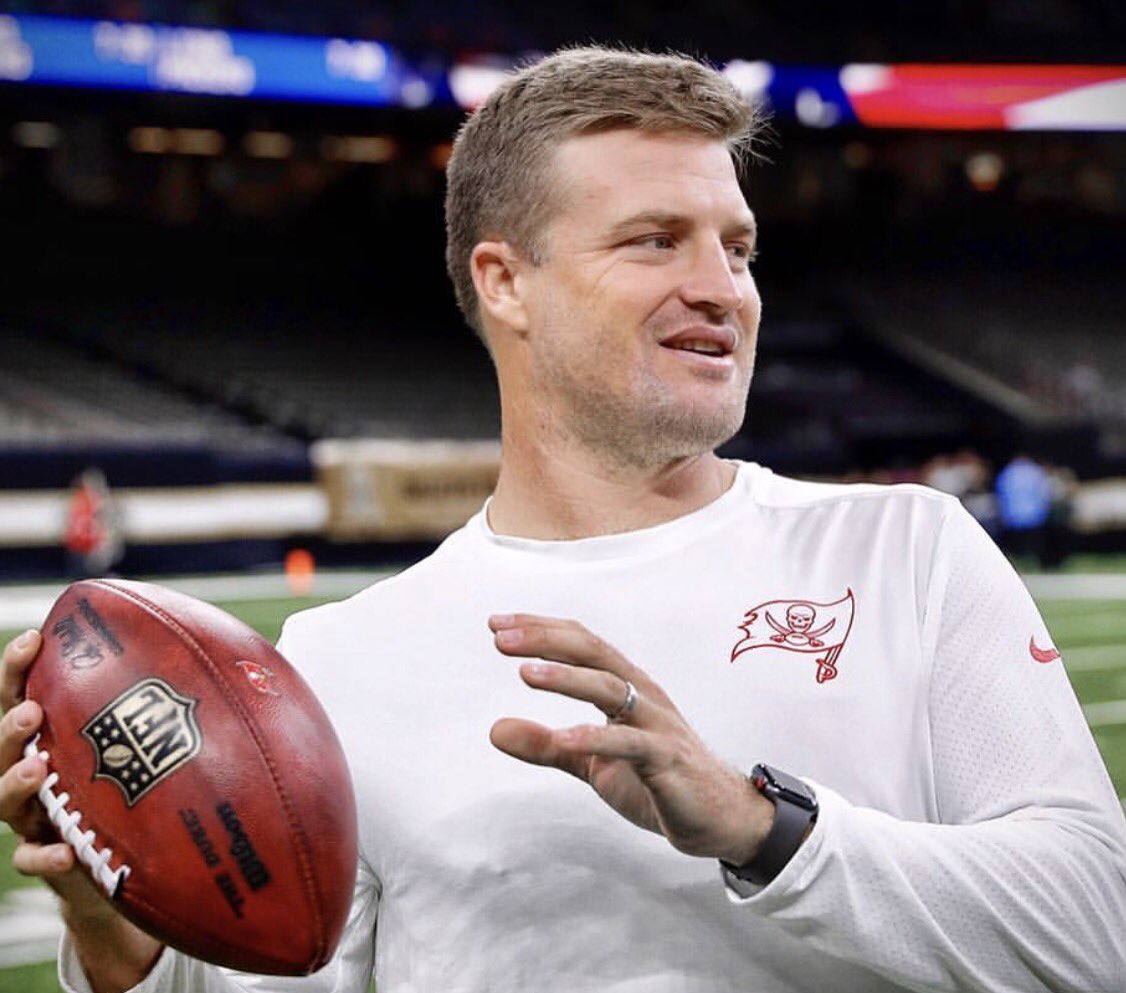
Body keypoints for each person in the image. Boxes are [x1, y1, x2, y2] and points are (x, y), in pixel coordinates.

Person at [2, 46, 1125, 993]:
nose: (723, 287)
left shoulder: (906, 551)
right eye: (655, 239)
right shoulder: (336, 660)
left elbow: (1095, 933)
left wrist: (762, 828)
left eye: (737, 247)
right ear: (505, 282)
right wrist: (125, 942)